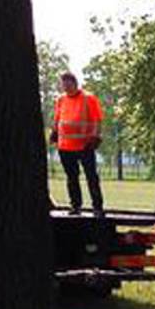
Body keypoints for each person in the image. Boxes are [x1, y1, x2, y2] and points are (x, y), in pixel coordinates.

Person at [49, 71, 104, 215]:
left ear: (74, 83)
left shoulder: (89, 99)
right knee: (72, 178)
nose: (65, 87)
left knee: (91, 177)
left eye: (68, 84)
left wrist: (95, 136)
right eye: (63, 84)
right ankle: (75, 206)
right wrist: (54, 132)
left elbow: (97, 120)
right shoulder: (61, 100)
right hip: (65, 146)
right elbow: (58, 119)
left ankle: (97, 207)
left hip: (85, 145)